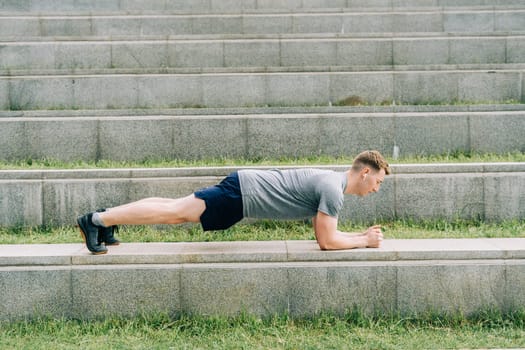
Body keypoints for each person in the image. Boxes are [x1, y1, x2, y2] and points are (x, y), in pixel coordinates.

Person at [77, 150, 391, 254]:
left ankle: (105, 219)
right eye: (377, 181)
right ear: (365, 172)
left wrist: (358, 237)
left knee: (174, 207)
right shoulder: (333, 190)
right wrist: (363, 240)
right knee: (174, 212)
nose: (376, 189)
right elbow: (325, 241)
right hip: (241, 195)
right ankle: (96, 221)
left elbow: (325, 234)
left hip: (243, 191)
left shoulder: (331, 182)